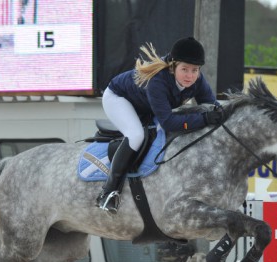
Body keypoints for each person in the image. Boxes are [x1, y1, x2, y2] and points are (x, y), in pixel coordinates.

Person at [96, 36, 227, 214]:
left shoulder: (197, 80)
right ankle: (109, 192)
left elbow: (212, 106)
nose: (190, 76)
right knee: (136, 135)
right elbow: (168, 123)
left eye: (195, 70)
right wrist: (204, 119)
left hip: (146, 105)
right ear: (173, 67)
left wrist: (221, 114)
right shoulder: (158, 81)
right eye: (185, 69)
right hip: (119, 98)